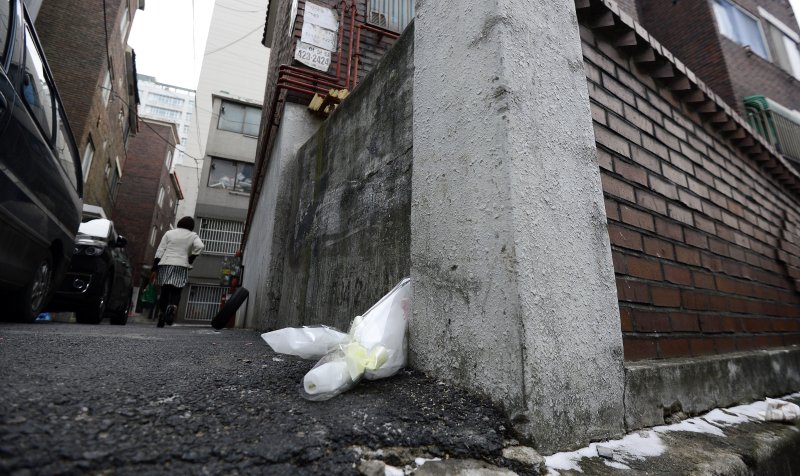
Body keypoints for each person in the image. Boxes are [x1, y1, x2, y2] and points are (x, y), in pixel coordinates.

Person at [151, 216, 204, 327]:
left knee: (165, 290)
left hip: (166, 263)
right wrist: (191, 259)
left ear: (179, 223)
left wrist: (155, 266)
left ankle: (161, 314)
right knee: (177, 290)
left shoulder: (169, 233)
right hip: (181, 264)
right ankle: (173, 307)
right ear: (191, 226)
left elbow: (160, 249)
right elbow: (200, 246)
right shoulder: (192, 235)